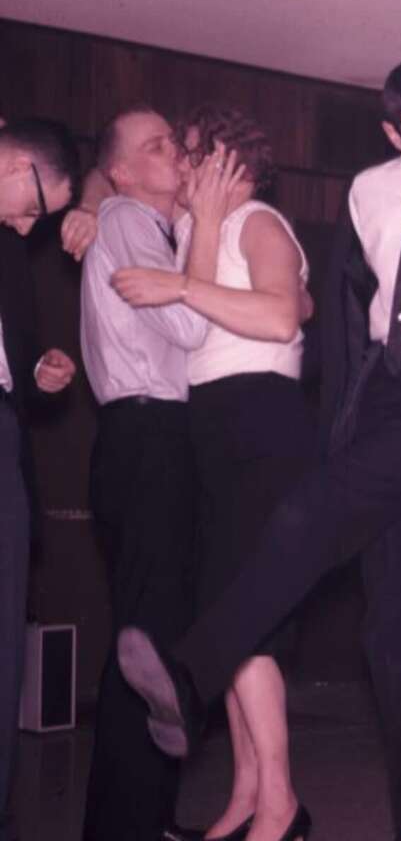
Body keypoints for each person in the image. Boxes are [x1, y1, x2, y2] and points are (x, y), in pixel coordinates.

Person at [116, 55, 401, 841]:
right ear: (394, 132)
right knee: (394, 629)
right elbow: (347, 312)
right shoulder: (366, 191)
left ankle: (192, 677)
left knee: (309, 513)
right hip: (384, 399)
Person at [112, 105, 314, 841]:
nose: (188, 171)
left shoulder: (258, 220)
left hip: (261, 422)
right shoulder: (201, 233)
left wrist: (183, 290)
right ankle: (246, 794)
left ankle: (281, 805)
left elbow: (284, 319)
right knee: (224, 617)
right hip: (216, 428)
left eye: (199, 156)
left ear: (239, 166)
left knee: (248, 624)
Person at [79, 106, 212, 841]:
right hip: (147, 432)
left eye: (174, 142)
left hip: (143, 436)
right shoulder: (129, 216)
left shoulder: (147, 224)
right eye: (156, 146)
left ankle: (139, 821)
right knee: (148, 645)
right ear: (123, 172)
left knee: (149, 640)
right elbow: (188, 325)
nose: (175, 153)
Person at [0, 116, 79, 841]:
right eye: (32, 208)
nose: (29, 229)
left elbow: (13, 361)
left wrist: (39, 374)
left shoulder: (9, 255)